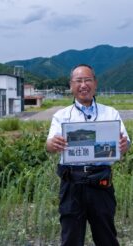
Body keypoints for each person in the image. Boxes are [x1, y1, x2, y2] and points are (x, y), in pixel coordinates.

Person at [46, 64, 130, 246]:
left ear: (95, 83)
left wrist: (124, 145)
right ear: (71, 86)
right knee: (70, 238)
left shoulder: (110, 112)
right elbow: (49, 144)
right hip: (71, 183)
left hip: (101, 182)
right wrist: (53, 144)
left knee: (106, 236)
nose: (83, 85)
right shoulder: (61, 116)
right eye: (78, 81)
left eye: (87, 80)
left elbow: (125, 143)